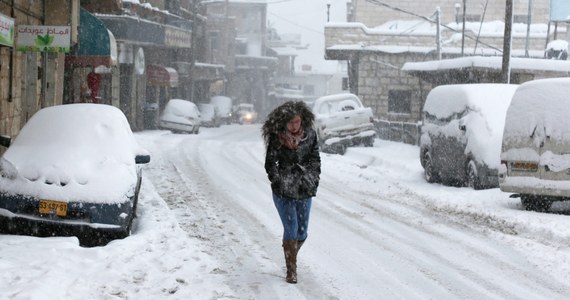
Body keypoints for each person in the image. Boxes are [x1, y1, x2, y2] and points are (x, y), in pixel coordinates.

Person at [261, 101, 321, 284]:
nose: (294, 126)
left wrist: (312, 178)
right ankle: (291, 270)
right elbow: (270, 164)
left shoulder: (310, 135)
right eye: (291, 122)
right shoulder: (277, 137)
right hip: (283, 191)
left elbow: (315, 160)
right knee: (292, 229)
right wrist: (278, 181)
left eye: (297, 121)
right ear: (284, 123)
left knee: (302, 232)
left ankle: (291, 250)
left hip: (304, 189)